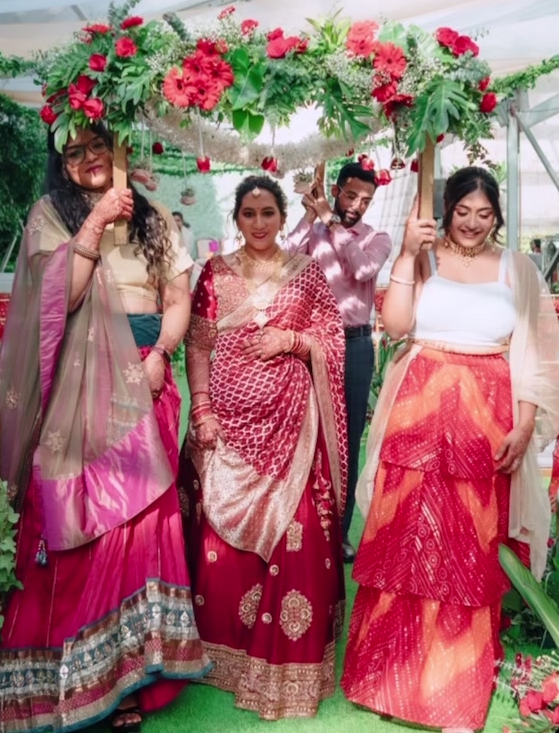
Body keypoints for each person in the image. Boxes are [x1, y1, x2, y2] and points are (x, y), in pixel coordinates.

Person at [0, 125, 210, 733]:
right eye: (74, 152)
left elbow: (177, 298)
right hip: (79, 384)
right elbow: (59, 300)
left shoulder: (154, 215)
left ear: (117, 149)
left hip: (145, 373)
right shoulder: (49, 215)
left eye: (97, 146)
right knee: (78, 519)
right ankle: (71, 674)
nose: (88, 159)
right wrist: (94, 222)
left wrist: (161, 353)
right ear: (60, 162)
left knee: (141, 524)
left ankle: (134, 675)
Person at [341, 166, 559, 733]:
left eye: (484, 214)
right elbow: (395, 325)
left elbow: (537, 352)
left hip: (487, 418)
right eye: (463, 212)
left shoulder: (517, 268)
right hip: (417, 412)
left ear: (498, 216)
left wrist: (526, 424)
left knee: (467, 547)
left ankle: (453, 693)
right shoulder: (424, 255)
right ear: (447, 210)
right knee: (403, 540)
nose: (472, 223)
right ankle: (385, 681)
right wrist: (406, 257)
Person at [179, 174, 348, 720]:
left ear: (282, 217)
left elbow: (333, 338)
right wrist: (202, 410)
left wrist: (293, 340)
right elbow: (198, 345)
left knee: (297, 535)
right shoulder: (214, 272)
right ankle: (221, 652)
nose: (258, 223)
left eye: (267, 213)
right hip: (227, 427)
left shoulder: (305, 272)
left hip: (293, 427)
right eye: (248, 214)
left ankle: (289, 661)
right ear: (237, 219)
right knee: (218, 544)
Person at [284, 161, 391, 562]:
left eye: (366, 200)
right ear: (335, 190)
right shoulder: (312, 233)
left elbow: (363, 269)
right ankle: (300, 526)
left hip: (355, 346)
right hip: (310, 343)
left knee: (347, 438)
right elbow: (283, 260)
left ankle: (339, 534)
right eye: (351, 195)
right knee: (303, 433)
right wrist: (311, 217)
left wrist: (333, 223)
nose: (357, 205)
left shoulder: (377, 238)